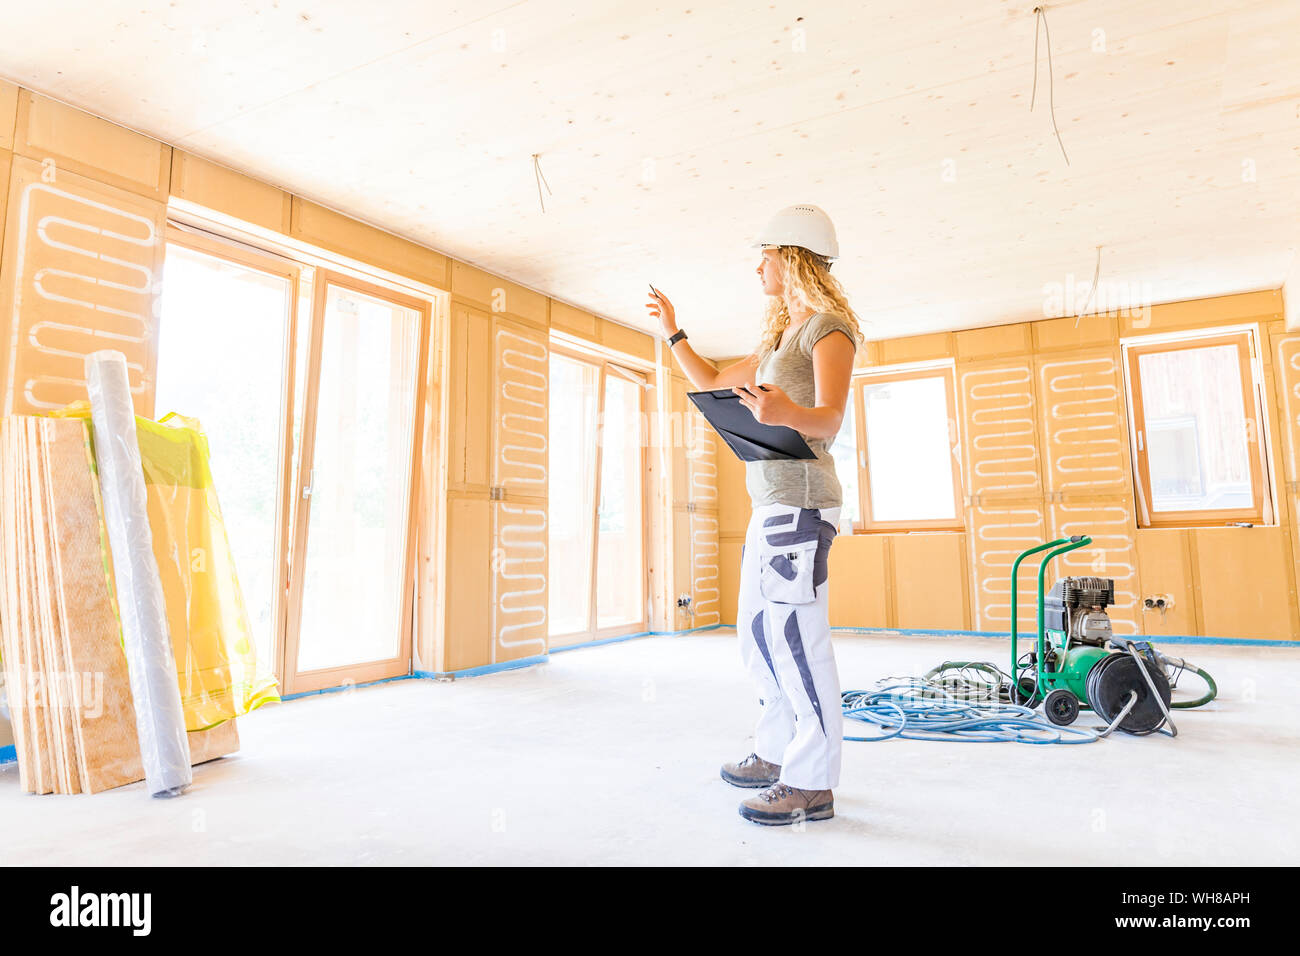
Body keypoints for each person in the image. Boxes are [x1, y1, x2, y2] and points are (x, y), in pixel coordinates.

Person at [646, 203, 863, 825]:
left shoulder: (830, 328)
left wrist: (784, 413)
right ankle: (775, 752)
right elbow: (711, 377)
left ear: (791, 257)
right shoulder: (777, 341)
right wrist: (673, 332)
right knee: (758, 638)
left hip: (802, 500)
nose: (756, 267)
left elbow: (828, 419)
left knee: (797, 641)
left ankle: (812, 782)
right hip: (770, 503)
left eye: (763, 255)